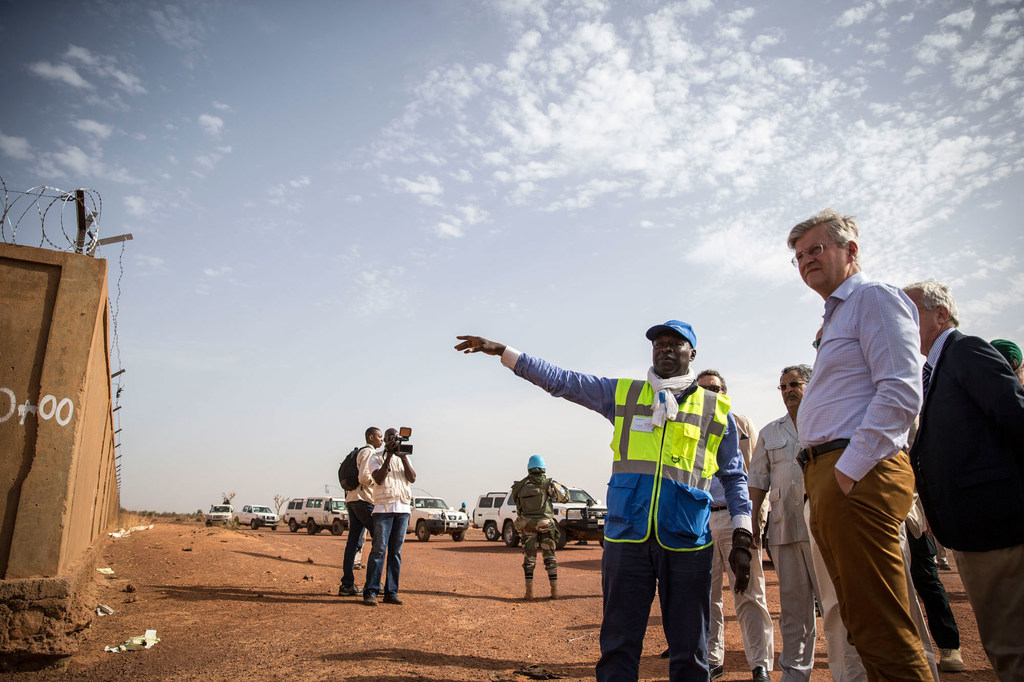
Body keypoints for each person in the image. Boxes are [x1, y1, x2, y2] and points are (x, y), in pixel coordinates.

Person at [455, 320, 754, 682]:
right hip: (627, 538)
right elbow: (564, 381)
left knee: (690, 650)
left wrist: (742, 534)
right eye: (659, 343)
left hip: (687, 542)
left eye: (676, 343)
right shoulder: (625, 395)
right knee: (618, 645)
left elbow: (735, 477)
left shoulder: (716, 409)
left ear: (693, 353)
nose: (665, 349)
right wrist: (505, 352)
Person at [787, 209, 931, 680]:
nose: (806, 260)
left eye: (816, 249)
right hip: (829, 476)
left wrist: (849, 470)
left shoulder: (874, 298)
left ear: (850, 251)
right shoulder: (837, 315)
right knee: (860, 623)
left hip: (857, 474)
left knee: (882, 624)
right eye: (799, 255)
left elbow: (900, 390)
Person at [903, 279, 1024, 679]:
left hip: (996, 526)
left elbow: (1017, 419)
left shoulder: (966, 350)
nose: (902, 321)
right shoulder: (934, 369)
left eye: (912, 311)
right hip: (971, 529)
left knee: (1011, 645)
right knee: (1000, 640)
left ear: (941, 314)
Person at [748, 364, 823, 682]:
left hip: (823, 528)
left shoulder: (825, 421)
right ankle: (794, 674)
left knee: (834, 604)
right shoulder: (770, 432)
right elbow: (757, 480)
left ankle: (852, 671)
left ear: (811, 384)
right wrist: (752, 519)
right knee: (794, 609)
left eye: (795, 384)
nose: (788, 390)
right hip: (783, 528)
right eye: (783, 386)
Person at [697, 370, 773, 682]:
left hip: (735, 518)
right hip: (700, 520)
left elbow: (756, 477)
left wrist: (755, 522)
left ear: (725, 392)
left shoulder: (740, 424)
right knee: (706, 596)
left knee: (749, 593)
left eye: (715, 388)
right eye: (702, 390)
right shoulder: (686, 425)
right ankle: (713, 660)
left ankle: (760, 664)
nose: (709, 394)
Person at [361, 427, 417, 606]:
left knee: (395, 553)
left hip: (402, 509)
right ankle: (371, 591)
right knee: (378, 551)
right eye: (389, 438)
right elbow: (378, 478)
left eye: (395, 438)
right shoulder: (375, 457)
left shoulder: (404, 458)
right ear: (384, 440)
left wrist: (402, 458)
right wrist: (390, 457)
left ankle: (391, 592)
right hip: (383, 510)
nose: (393, 440)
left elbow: (413, 477)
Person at [510, 455, 569, 600]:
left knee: (529, 559)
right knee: (550, 557)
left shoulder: (520, 486)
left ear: (529, 468)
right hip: (546, 524)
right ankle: (554, 591)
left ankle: (529, 593)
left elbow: (517, 505)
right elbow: (565, 497)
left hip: (527, 525)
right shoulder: (548, 483)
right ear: (543, 468)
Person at [338, 427, 382, 596]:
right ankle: (374, 583)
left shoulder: (358, 453)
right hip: (364, 501)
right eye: (379, 436)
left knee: (353, 542)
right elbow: (364, 477)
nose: (382, 440)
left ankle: (347, 584)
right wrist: (378, 481)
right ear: (370, 437)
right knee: (380, 540)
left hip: (352, 500)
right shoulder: (369, 453)